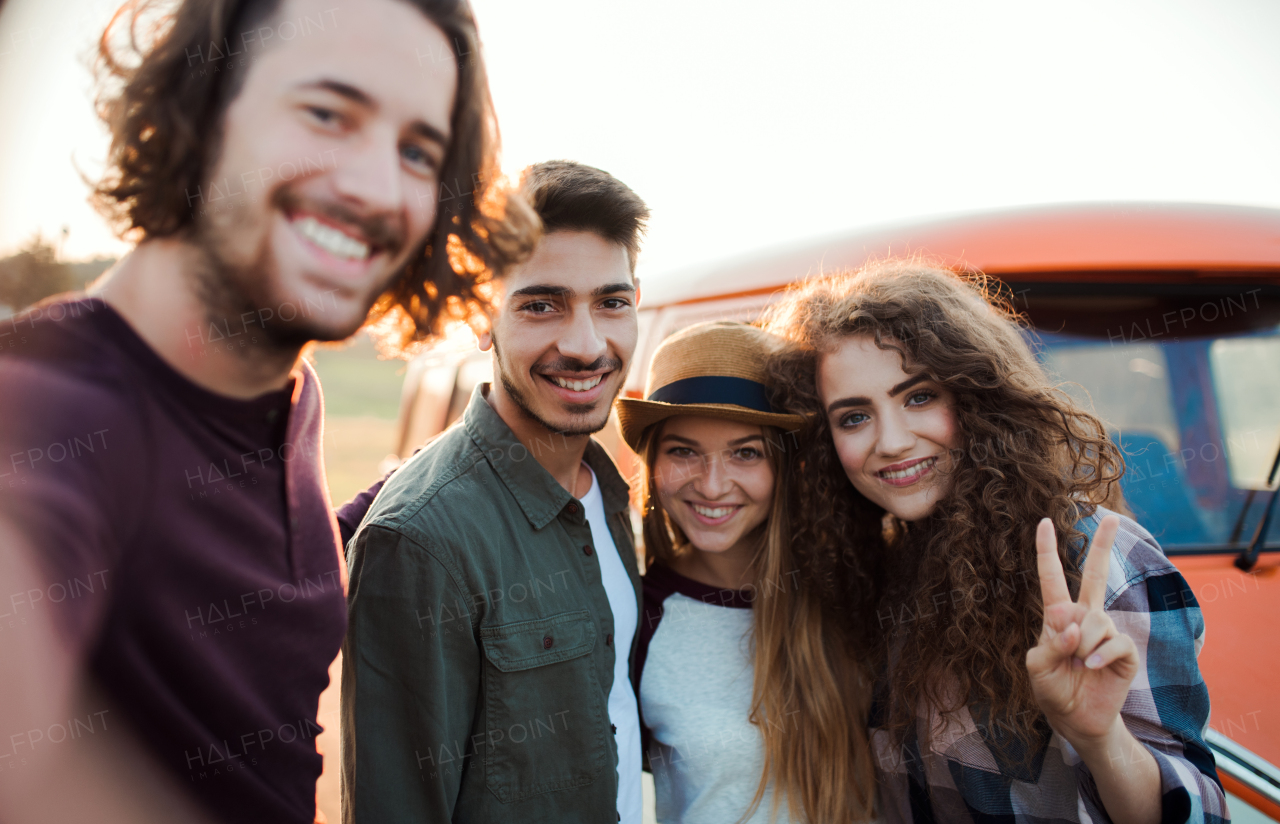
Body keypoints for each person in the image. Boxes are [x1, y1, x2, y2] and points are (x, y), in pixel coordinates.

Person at [0, 0, 535, 821]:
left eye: (417, 151)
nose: (376, 186)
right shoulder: (51, 409)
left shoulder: (288, 395)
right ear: (204, 106)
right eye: (327, 112)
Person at [762, 260, 1229, 824]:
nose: (889, 441)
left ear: (979, 396)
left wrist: (1103, 739)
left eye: (918, 397)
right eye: (855, 417)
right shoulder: (883, 564)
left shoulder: (1093, 558)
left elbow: (1202, 813)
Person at [342, 160, 649, 823]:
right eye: (542, 304)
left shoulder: (614, 494)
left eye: (611, 301)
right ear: (483, 314)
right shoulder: (421, 539)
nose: (586, 343)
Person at [617, 321, 877, 824]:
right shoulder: (637, 616)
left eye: (745, 452)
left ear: (786, 466)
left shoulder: (853, 585)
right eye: (684, 451)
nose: (713, 486)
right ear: (653, 462)